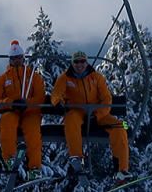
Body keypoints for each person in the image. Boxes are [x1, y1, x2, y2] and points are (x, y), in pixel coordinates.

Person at [51, 51, 130, 182]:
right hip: (77, 111)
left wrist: (98, 113)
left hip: (97, 113)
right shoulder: (65, 78)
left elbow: (106, 98)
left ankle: (121, 169)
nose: (79, 65)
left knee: (120, 126)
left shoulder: (96, 77)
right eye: (76, 62)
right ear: (72, 63)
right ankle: (76, 158)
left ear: (86, 62)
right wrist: (57, 102)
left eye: (82, 61)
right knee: (71, 120)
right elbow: (56, 94)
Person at [0, 40, 45, 179]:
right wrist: (11, 103)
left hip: (30, 112)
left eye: (18, 57)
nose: (16, 60)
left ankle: (34, 167)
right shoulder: (3, 79)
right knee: (7, 124)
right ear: (10, 60)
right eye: (13, 58)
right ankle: (9, 159)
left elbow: (40, 97)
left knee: (33, 133)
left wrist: (27, 103)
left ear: (23, 58)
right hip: (11, 111)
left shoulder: (33, 76)